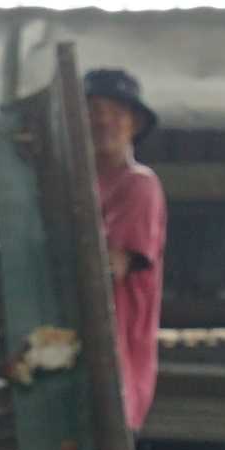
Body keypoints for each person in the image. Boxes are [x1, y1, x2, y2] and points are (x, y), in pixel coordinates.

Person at [86, 65, 166, 431]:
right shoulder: (79, 186)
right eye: (92, 112)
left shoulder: (138, 185)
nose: (103, 122)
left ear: (133, 124)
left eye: (115, 113)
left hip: (112, 375)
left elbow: (106, 270)